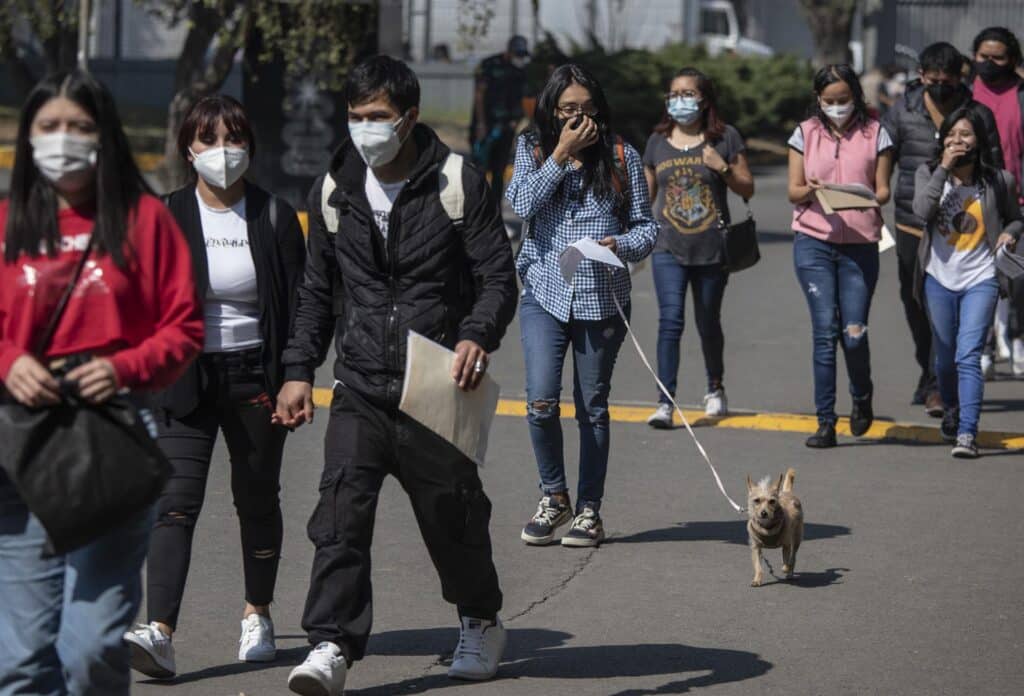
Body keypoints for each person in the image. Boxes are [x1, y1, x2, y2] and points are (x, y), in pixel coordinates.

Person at [275, 56, 518, 696]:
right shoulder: (333, 188)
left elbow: (498, 275)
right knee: (338, 518)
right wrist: (299, 369)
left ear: (408, 117)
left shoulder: (457, 180)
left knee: (453, 517)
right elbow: (315, 290)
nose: (364, 129)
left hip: (436, 381)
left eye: (377, 117)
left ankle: (480, 619)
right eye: (355, 117)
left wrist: (475, 334)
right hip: (359, 383)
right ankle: (331, 644)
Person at [0, 70, 203, 695]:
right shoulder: (9, 222)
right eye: (50, 127)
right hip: (22, 447)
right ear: (27, 138)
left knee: (88, 652)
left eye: (79, 127)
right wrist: (8, 357)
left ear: (104, 136)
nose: (64, 139)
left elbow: (184, 328)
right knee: (20, 662)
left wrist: (122, 366)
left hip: (112, 441)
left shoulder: (144, 221)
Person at [122, 95, 305, 679]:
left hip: (256, 378)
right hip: (184, 380)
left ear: (250, 147)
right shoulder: (162, 216)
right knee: (173, 505)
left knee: (256, 500)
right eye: (210, 140)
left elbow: (304, 307)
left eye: (234, 139)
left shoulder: (275, 216)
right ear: (188, 149)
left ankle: (258, 614)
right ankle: (161, 632)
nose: (223, 152)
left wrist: (295, 375)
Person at [507, 63, 657, 547]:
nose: (579, 119)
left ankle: (590, 510)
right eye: (569, 110)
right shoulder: (532, 148)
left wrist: (622, 245)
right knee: (540, 401)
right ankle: (554, 497)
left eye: (587, 110)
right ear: (552, 110)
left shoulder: (621, 155)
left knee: (592, 406)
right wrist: (560, 154)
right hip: (544, 294)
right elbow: (520, 205)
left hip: (602, 299)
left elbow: (645, 227)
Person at [882, 42, 1003, 415]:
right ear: (921, 76)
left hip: (963, 230)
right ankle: (930, 372)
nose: (939, 86)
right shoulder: (903, 111)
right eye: (932, 80)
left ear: (959, 77)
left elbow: (995, 164)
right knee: (914, 304)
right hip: (911, 222)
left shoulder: (978, 114)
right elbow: (886, 156)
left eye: (946, 80)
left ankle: (938, 386)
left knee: (944, 311)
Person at [642, 67, 755, 427]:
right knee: (670, 322)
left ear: (704, 99)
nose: (679, 101)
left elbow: (747, 188)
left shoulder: (725, 138)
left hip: (711, 248)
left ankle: (715, 388)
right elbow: (646, 198)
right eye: (673, 94)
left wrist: (722, 167)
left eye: (687, 94)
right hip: (667, 247)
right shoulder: (656, 142)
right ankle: (664, 401)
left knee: (708, 322)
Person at [788, 64, 893, 449]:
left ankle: (862, 394)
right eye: (829, 101)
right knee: (824, 333)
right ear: (818, 100)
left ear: (856, 98)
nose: (836, 107)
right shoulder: (804, 133)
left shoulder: (876, 133)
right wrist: (813, 190)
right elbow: (793, 191)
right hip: (813, 241)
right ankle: (825, 422)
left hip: (861, 244)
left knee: (853, 333)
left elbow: (883, 191)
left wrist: (859, 195)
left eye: (843, 100)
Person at [912, 103, 1022, 457]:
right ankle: (954, 411)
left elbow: (1016, 218)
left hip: (982, 277)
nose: (958, 141)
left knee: (968, 356)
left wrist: (1010, 233)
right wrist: (943, 169)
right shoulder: (927, 173)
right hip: (938, 279)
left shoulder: (998, 180)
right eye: (951, 134)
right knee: (944, 360)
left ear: (979, 140)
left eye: (965, 134)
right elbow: (922, 211)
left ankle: (967, 433)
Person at [969, 27, 1024, 378]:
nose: (989, 64)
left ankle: (1017, 336)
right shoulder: (965, 93)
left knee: (1018, 278)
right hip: (972, 198)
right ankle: (985, 345)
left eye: (998, 58)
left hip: (1017, 198)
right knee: (979, 277)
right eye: (983, 57)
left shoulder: (1021, 94)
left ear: (1013, 60)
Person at [471, 35, 530, 204]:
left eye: (522, 55)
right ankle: (476, 208)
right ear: (509, 51)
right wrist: (481, 124)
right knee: (480, 168)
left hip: (507, 128)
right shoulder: (489, 65)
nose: (520, 58)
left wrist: (518, 122)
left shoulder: (520, 71)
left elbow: (521, 99)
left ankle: (495, 214)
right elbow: (479, 95)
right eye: (517, 54)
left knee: (499, 170)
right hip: (486, 126)